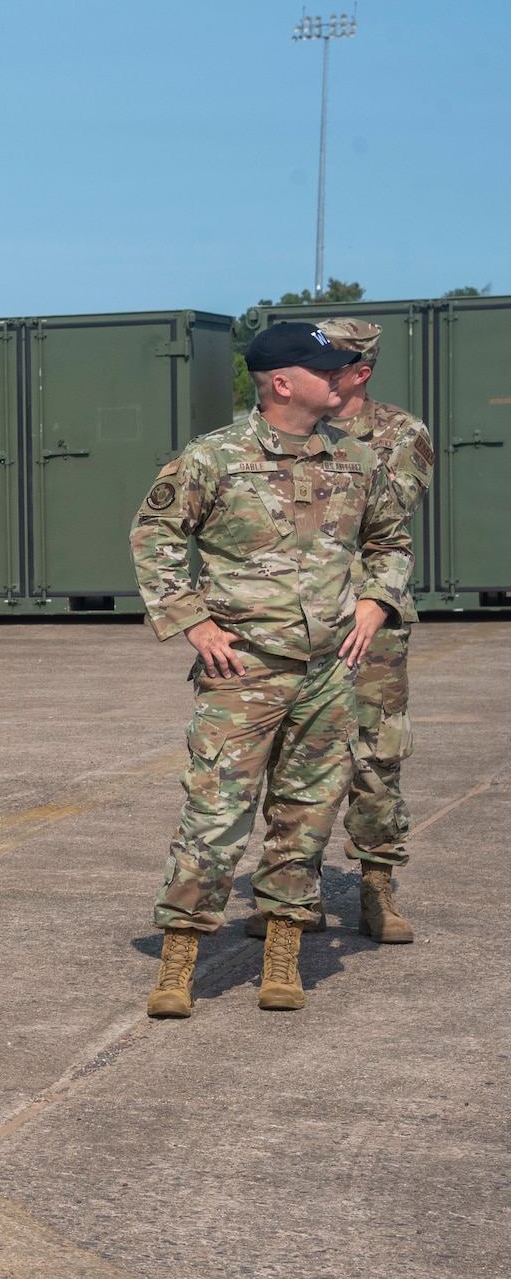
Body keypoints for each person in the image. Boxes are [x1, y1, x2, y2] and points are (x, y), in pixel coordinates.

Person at [133, 321, 411, 1019]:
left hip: (327, 670)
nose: (343, 375)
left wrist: (379, 599)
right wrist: (192, 621)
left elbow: (390, 539)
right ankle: (179, 958)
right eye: (328, 367)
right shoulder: (215, 459)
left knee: (306, 816)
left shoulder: (354, 459)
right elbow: (154, 534)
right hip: (243, 671)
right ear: (283, 382)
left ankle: (282, 949)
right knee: (215, 816)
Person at [236, 317, 430, 944]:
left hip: (368, 625)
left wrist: (375, 601)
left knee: (376, 759)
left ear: (358, 372)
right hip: (295, 626)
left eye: (333, 364)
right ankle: (296, 894)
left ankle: (377, 887)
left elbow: (387, 523)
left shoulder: (399, 434)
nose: (321, 371)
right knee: (296, 763)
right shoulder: (272, 431)